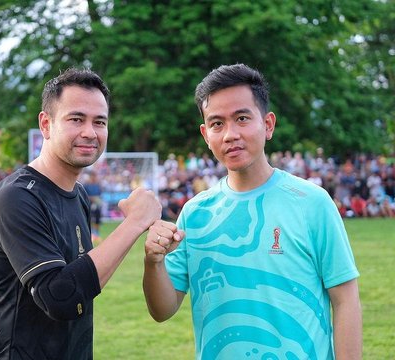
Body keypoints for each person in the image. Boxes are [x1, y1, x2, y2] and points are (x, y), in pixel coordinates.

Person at [143, 64, 362, 359]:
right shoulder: (194, 214)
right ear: (206, 134)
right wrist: (153, 262)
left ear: (268, 124)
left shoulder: (311, 202)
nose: (230, 134)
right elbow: (162, 310)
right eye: (217, 124)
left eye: (242, 118)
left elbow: (346, 300)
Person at [0, 68, 161, 360]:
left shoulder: (79, 195)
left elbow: (85, 286)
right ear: (46, 124)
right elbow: (59, 297)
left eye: (99, 122)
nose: (90, 132)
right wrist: (135, 222)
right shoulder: (17, 196)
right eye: (76, 119)